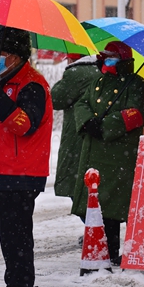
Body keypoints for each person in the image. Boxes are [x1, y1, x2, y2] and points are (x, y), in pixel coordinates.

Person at [0, 26, 53, 287]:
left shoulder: (31, 84)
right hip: (5, 171)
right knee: (9, 236)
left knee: (19, 236)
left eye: (0, 53)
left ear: (14, 55)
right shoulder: (8, 80)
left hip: (22, 173)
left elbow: (24, 125)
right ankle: (14, 286)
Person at [72, 41, 144, 266]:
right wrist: (87, 121)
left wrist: (106, 126)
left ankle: (116, 250)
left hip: (117, 153)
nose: (105, 61)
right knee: (95, 204)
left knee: (114, 205)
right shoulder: (97, 81)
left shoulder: (136, 84)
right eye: (104, 57)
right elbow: (82, 103)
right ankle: (102, 249)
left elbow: (136, 113)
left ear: (123, 60)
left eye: (111, 58)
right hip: (93, 152)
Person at [52, 53, 100, 200]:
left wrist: (63, 81)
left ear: (73, 59)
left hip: (77, 136)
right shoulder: (102, 70)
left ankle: (94, 222)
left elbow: (55, 99)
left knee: (79, 191)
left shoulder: (75, 73)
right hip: (98, 136)